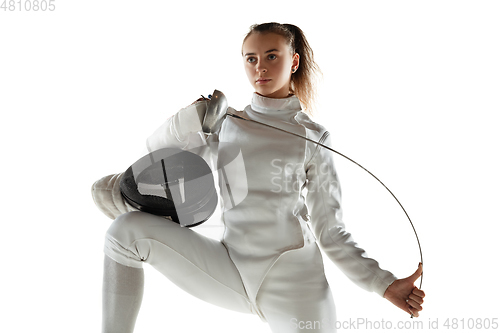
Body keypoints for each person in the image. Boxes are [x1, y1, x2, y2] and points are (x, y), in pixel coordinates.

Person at [92, 22, 425, 333]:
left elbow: (331, 231)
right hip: (232, 268)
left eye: (271, 56)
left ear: (293, 62)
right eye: (251, 58)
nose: (260, 67)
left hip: (296, 284)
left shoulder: (313, 137)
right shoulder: (225, 123)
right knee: (124, 232)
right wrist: (188, 119)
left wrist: (384, 284)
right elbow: (157, 155)